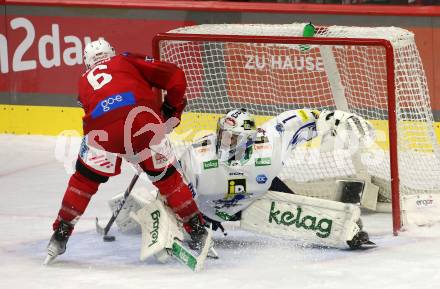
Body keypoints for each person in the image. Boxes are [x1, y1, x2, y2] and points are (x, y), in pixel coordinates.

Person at [114, 107, 376, 251]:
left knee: (300, 208)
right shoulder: (198, 156)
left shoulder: (269, 143)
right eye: (224, 134)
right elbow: (173, 189)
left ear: (250, 140)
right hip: (208, 209)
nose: (226, 141)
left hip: (255, 197)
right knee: (173, 203)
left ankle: (347, 231)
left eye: (234, 138)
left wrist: (332, 118)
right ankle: (144, 219)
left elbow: (299, 120)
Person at [45, 39, 210, 264]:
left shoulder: (83, 80)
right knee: (168, 180)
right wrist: (172, 108)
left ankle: (60, 234)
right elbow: (175, 77)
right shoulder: (124, 58)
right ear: (111, 52)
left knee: (83, 182)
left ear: (87, 62)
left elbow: (101, 109)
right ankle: (198, 229)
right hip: (142, 120)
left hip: (101, 131)